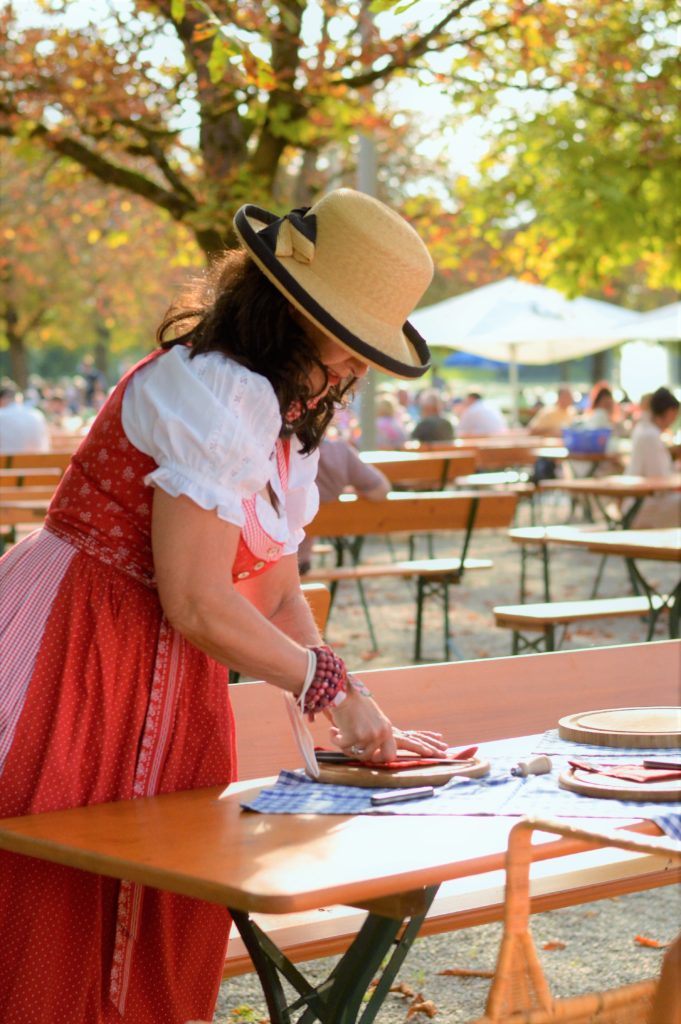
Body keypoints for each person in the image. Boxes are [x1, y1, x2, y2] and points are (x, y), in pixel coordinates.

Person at [0, 188, 448, 1024]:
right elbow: (198, 601)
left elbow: (273, 591)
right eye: (347, 347)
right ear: (289, 315)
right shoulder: (212, 388)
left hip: (168, 684)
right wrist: (331, 689)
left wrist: (348, 712)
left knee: (169, 898)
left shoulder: (277, 418)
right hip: (78, 654)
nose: (354, 371)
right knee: (56, 899)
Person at [297, 436, 391, 574]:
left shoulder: (271, 450)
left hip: (275, 559)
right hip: (300, 564)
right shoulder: (338, 451)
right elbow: (381, 490)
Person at [626, 386, 681, 527]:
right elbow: (659, 478)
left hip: (641, 500)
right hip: (644, 504)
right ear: (669, 412)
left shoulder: (646, 430)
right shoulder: (650, 435)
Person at [0, 383, 51, 453]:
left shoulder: (2, 415)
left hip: (6, 463)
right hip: (37, 462)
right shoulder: (37, 414)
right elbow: (45, 446)